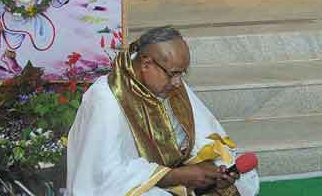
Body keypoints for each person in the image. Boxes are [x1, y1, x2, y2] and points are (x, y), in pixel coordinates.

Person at [66, 26, 260, 195]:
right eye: (173, 74)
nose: (178, 83)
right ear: (146, 64)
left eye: (182, 74)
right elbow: (103, 175)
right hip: (131, 184)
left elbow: (202, 136)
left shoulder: (170, 82)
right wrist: (173, 176)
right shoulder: (106, 97)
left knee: (245, 179)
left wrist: (211, 169)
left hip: (175, 171)